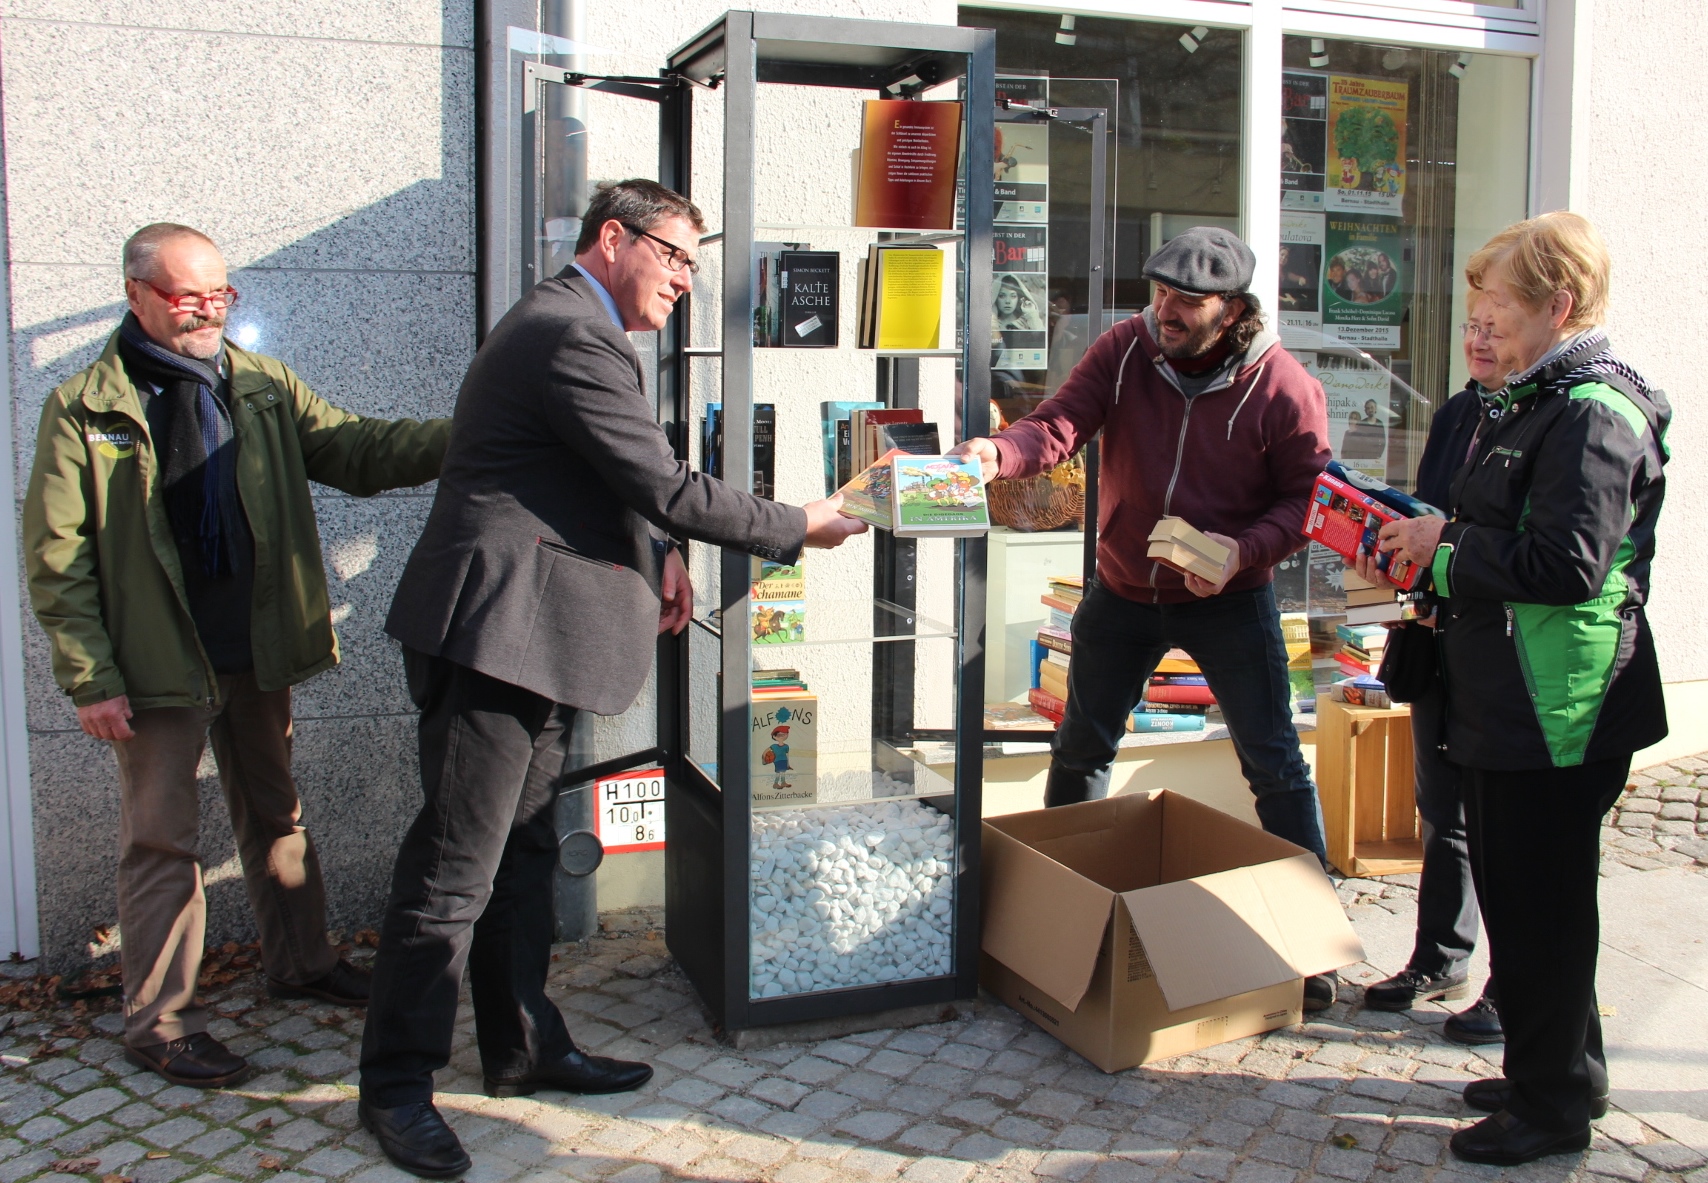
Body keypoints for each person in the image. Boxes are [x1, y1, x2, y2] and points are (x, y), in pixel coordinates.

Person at [361, 179, 866, 1179]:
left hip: (534, 634)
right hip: (492, 637)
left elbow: (594, 479)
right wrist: (795, 523)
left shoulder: (576, 328)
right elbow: (661, 480)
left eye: (692, 261)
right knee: (456, 870)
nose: (685, 278)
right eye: (674, 255)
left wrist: (657, 553)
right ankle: (394, 1087)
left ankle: (520, 1045)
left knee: (524, 853)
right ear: (611, 238)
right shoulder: (569, 332)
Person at [23, 224, 450, 1088]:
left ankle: (300, 961)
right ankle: (162, 1020)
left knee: (276, 812)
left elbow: (357, 451)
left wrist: (471, 433)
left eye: (221, 294)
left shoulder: (259, 385)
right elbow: (58, 558)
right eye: (189, 296)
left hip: (255, 647)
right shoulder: (85, 409)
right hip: (153, 667)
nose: (207, 311)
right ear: (137, 292)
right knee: (161, 843)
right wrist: (90, 677)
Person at [952, 226, 1341, 1010]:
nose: (1164, 310)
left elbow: (1310, 499)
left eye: (1186, 301)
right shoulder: (1125, 350)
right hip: (1123, 591)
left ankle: (1314, 946)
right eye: (1158, 292)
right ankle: (1057, 923)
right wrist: (999, 454)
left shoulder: (1283, 385)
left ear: (1230, 310)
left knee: (1275, 764)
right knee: (1082, 746)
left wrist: (1244, 550)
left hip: (1230, 599)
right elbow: (1060, 423)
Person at [1373, 212, 1668, 1166]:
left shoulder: (1591, 411)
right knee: (1529, 898)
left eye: (1498, 306)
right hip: (1511, 691)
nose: (1481, 324)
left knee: (1541, 908)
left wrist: (1444, 552)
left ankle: (1549, 1111)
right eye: (1476, 307)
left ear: (1559, 306)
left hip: (1559, 700)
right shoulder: (1532, 397)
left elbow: (1570, 562)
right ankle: (1562, 1067)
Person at [1355, 296, 1504, 1045]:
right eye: (1469, 327)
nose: (1476, 341)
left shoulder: (1543, 420)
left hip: (1502, 651)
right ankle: (1441, 957)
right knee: (1442, 808)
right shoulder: (1456, 414)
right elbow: (1429, 512)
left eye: (1491, 328)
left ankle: (1514, 990)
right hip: (1437, 635)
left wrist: (1443, 545)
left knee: (1506, 829)